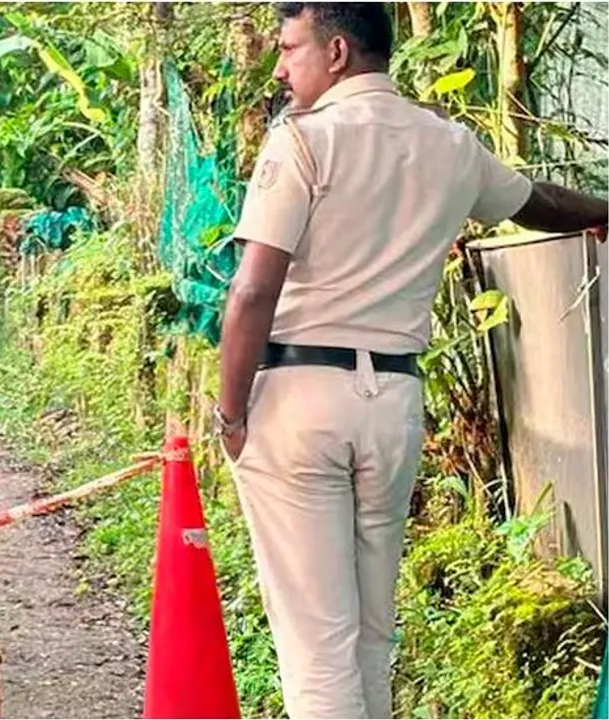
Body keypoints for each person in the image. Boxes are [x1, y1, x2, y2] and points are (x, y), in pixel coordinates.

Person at [215, 3, 608, 718]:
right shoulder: (450, 145)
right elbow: (538, 202)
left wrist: (230, 414)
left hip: (298, 400)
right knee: (369, 639)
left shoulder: (303, 142)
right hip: (393, 405)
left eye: (289, 48)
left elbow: (250, 291)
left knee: (316, 651)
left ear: (336, 53)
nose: (279, 66)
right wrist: (603, 210)